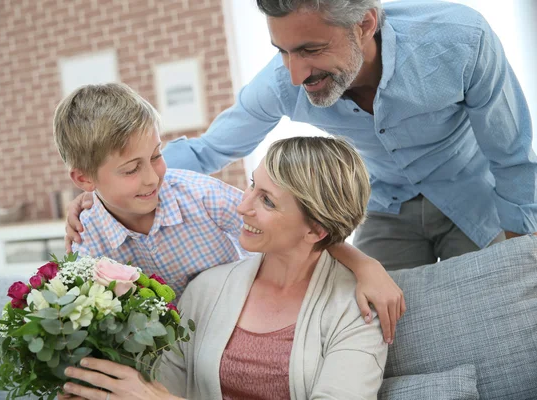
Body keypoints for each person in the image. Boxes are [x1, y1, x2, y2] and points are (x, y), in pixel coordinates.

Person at [154, 0, 536, 270]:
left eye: (311, 49)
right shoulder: (279, 84)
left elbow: (512, 155)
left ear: (365, 24)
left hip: (474, 197)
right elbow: (209, 151)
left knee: (493, 318)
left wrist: (521, 255)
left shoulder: (460, 40)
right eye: (283, 52)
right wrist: (122, 177)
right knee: (377, 326)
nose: (295, 75)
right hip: (386, 203)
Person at [53, 82, 404, 343]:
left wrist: (364, 264)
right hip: (166, 351)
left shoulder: (196, 193)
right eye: (132, 169)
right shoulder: (88, 238)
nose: (151, 177)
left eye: (157, 156)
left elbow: (291, 228)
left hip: (241, 326)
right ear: (84, 179)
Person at [61, 136, 388, 400]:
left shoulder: (356, 310)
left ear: (316, 230)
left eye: (268, 201)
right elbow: (163, 386)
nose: (242, 206)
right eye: (251, 185)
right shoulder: (205, 290)